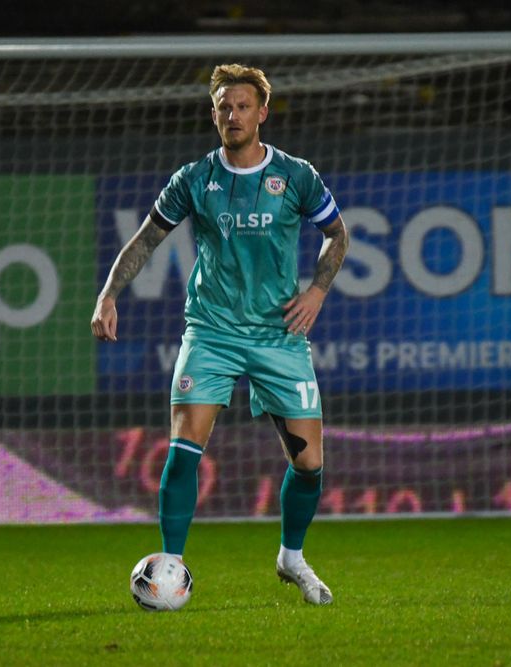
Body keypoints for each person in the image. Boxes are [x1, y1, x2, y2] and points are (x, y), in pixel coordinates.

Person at [91, 63, 348, 605]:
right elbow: (146, 239)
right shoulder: (194, 179)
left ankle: (291, 557)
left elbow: (336, 234)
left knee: (309, 464)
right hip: (211, 332)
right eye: (224, 107)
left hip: (278, 335)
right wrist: (108, 294)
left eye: (243, 106)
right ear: (213, 115)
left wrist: (318, 291)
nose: (233, 115)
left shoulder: (295, 175)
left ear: (262, 113)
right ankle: (171, 564)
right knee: (184, 448)